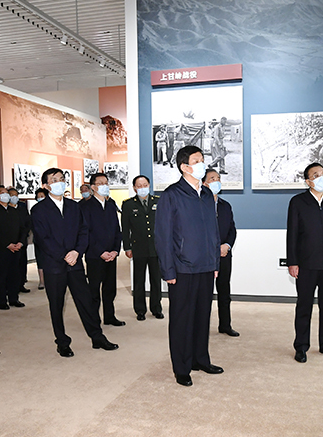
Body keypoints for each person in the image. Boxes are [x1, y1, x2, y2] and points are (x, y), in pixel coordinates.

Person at [155, 145, 223, 387]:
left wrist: (215, 262)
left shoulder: (206, 195)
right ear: (184, 167)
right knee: (182, 320)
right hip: (182, 269)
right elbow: (163, 236)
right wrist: (168, 270)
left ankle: (200, 359)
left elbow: (214, 232)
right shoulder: (172, 195)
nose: (203, 164)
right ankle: (182, 368)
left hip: (206, 266)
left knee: (202, 317)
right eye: (197, 160)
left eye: (203, 159)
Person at [31, 167, 117, 356]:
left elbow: (84, 231)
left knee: (85, 301)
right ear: (45, 185)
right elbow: (43, 238)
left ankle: (97, 337)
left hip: (75, 263)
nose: (59, 183)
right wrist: (64, 255)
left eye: (62, 179)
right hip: (54, 265)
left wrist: (77, 252)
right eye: (54, 180)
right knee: (56, 305)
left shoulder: (74, 206)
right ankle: (62, 342)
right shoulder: (39, 210)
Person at [286, 162, 323, 364]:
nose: (322, 177)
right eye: (316, 175)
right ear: (308, 181)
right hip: (306, 264)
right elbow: (292, 234)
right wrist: (292, 262)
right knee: (304, 306)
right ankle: (301, 346)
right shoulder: (298, 202)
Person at [80, 173, 124, 326]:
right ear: (93, 187)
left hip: (111, 255)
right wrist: (100, 252)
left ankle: (109, 316)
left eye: (106, 182)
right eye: (100, 183)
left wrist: (115, 250)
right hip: (95, 255)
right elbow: (86, 233)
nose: (105, 185)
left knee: (110, 288)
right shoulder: (85, 207)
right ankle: (94, 320)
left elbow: (117, 230)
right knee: (94, 290)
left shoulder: (111, 205)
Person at [121, 175, 163, 321]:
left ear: (149, 185)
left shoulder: (158, 201)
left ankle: (156, 308)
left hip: (156, 248)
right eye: (139, 186)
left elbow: (164, 225)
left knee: (156, 280)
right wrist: (127, 247)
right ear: (134, 188)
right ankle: (140, 310)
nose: (142, 188)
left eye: (145, 185)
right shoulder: (128, 204)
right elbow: (125, 228)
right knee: (139, 281)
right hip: (138, 248)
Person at [203, 169, 239, 336]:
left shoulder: (225, 206)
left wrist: (227, 245)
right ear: (204, 183)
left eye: (218, 178)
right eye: (212, 178)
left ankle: (225, 325)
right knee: (204, 294)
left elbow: (232, 230)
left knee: (224, 291)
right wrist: (213, 248)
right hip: (205, 257)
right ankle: (201, 328)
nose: (216, 181)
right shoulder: (199, 205)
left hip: (224, 255)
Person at [0, 185, 27, 310]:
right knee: (2, 275)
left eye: (6, 192)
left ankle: (14, 298)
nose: (5, 194)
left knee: (15, 274)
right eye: (2, 192)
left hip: (16, 248)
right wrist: (7, 244)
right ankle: (2, 301)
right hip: (1, 249)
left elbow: (23, 228)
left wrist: (20, 242)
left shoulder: (14, 211)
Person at [9, 187, 32, 294]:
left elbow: (27, 224)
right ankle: (11, 287)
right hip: (10, 243)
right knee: (11, 266)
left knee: (22, 264)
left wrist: (22, 240)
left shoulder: (22, 208)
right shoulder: (6, 209)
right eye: (11, 195)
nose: (14, 197)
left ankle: (21, 284)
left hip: (22, 241)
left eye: (16, 195)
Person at [33, 188, 48, 290]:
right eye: (38, 197)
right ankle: (42, 281)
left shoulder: (51, 208)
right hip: (39, 240)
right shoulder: (35, 209)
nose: (40, 198)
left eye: (42, 196)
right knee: (40, 260)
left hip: (52, 239)